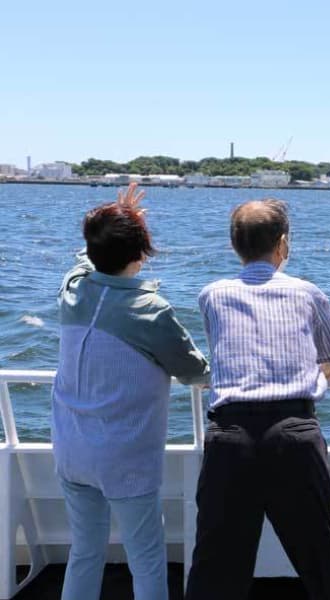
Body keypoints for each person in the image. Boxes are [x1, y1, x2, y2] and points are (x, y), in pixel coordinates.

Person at [185, 199, 330, 600]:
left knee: (216, 565)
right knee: (320, 558)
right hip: (294, 434)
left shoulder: (212, 294)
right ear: (283, 244)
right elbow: (329, 360)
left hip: (230, 435)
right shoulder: (308, 293)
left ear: (234, 245)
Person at [52, 183, 210, 600]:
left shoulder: (73, 290)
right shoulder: (151, 311)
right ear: (141, 255)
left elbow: (85, 257)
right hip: (124, 459)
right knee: (146, 557)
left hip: (71, 448)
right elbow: (194, 371)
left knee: (84, 552)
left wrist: (117, 217)